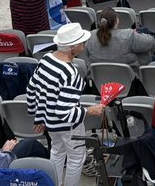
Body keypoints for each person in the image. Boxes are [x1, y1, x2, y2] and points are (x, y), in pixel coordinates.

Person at [27, 22, 106, 186]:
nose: (84, 44)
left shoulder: (46, 59)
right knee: (77, 159)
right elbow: (65, 112)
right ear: (73, 48)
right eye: (82, 42)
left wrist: (40, 118)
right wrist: (90, 111)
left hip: (50, 123)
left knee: (56, 152)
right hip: (68, 126)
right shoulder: (71, 73)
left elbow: (32, 90)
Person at [84, 7, 155, 75]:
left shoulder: (90, 36)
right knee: (147, 53)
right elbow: (151, 42)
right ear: (117, 20)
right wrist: (139, 34)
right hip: (130, 83)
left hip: (98, 82)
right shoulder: (129, 35)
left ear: (100, 22)